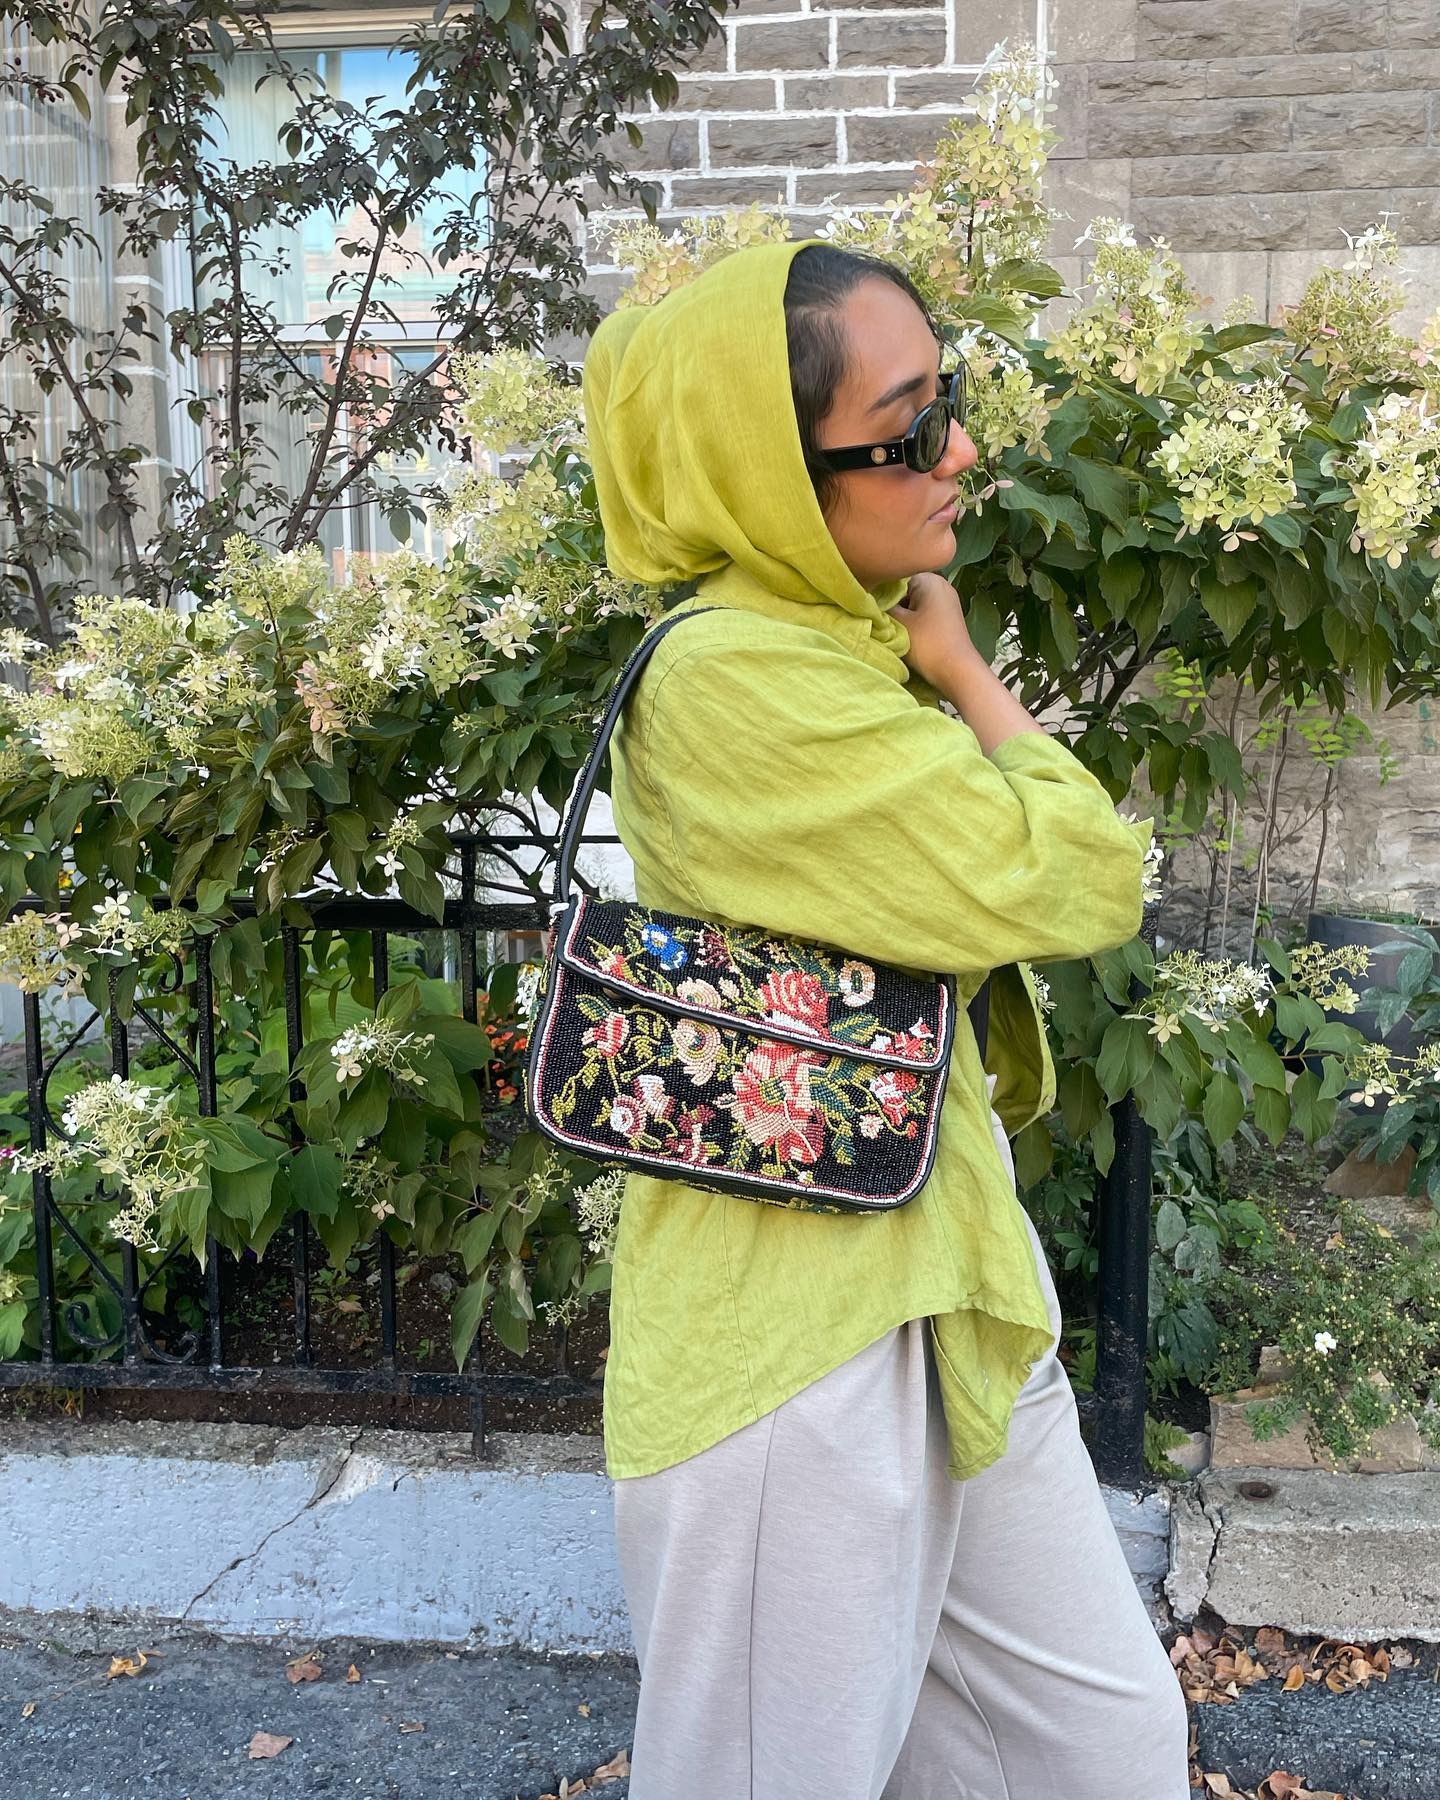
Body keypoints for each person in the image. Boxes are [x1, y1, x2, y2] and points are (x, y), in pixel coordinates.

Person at [578, 237, 1191, 1799]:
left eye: (949, 404)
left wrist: (931, 660)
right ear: (773, 477)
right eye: (907, 431)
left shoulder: (840, 651)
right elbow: (1078, 874)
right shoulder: (738, 682)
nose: (958, 453)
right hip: (793, 1340)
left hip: (939, 1270)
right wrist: (969, 674)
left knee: (1101, 1749)